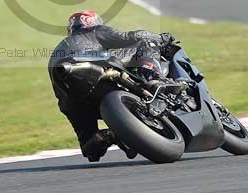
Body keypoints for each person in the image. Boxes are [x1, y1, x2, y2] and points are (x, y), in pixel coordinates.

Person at [47, 9, 166, 162]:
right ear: (90, 22)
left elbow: (60, 94)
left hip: (72, 98)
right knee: (147, 42)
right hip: (95, 69)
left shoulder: (57, 52)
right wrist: (161, 37)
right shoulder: (95, 31)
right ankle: (154, 78)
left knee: (89, 149)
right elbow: (130, 37)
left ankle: (110, 135)